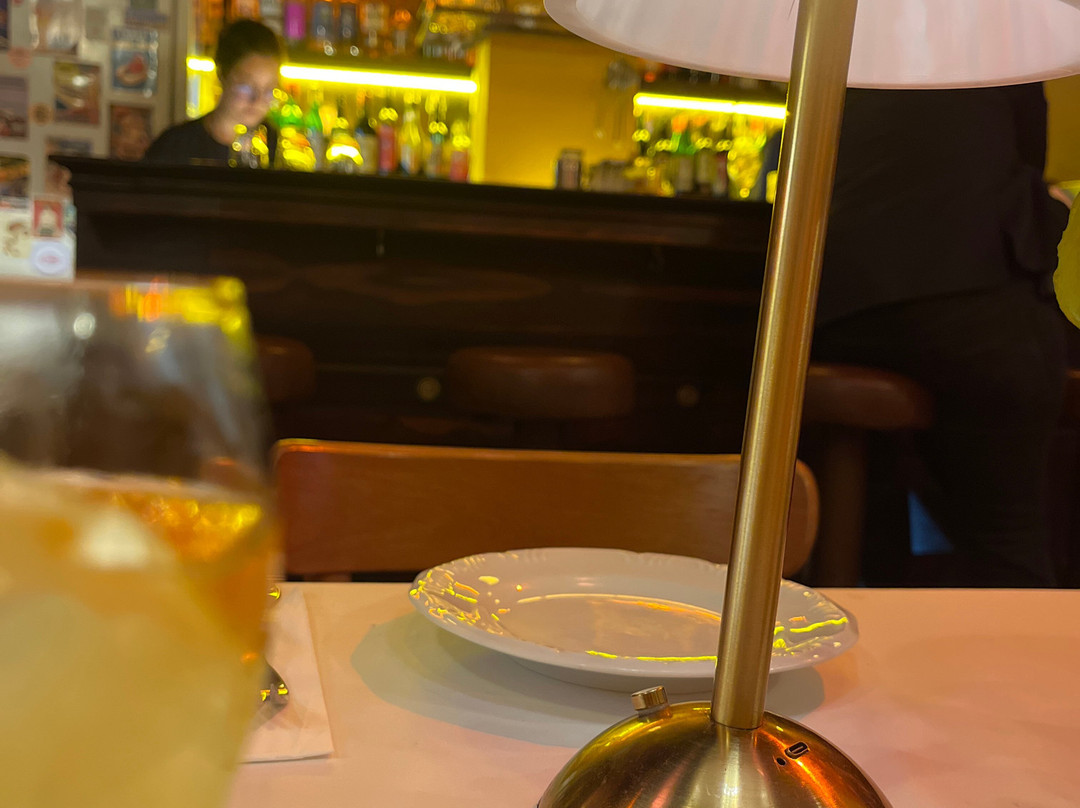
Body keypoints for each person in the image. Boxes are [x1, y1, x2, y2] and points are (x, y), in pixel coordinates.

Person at [813, 84, 1070, 588]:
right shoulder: (1003, 48)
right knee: (1005, 531)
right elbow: (1029, 164)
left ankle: (867, 606)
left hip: (840, 306)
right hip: (974, 298)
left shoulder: (847, 45)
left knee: (870, 514)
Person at [145, 19, 280, 165]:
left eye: (269, 89)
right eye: (246, 86)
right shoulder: (175, 146)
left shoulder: (280, 148)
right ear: (222, 75)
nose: (257, 100)